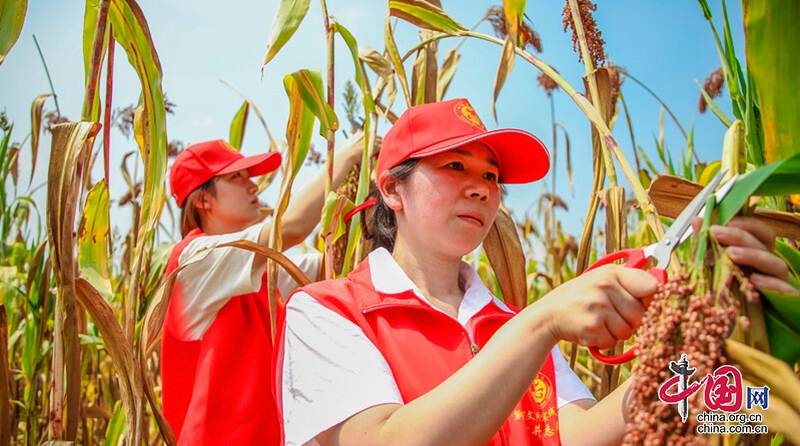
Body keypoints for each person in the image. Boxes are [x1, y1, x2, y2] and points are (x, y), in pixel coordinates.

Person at [275, 98, 797, 446]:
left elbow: (585, 433)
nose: (481, 187)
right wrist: (541, 321)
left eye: (491, 175)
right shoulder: (328, 312)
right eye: (455, 166)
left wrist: (714, 357)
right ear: (392, 189)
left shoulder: (507, 323)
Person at [162, 133, 374, 446]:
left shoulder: (258, 272)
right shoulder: (194, 262)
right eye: (237, 177)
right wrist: (345, 157)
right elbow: (290, 228)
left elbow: (336, 262)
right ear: (203, 200)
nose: (253, 186)